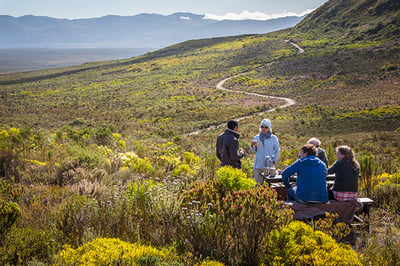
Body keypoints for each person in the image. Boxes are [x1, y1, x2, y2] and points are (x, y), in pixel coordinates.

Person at [250, 119, 280, 185]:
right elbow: (253, 150)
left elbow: (277, 150)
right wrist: (252, 145)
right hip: (258, 166)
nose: (263, 129)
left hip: (269, 167)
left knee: (270, 186)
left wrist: (274, 161)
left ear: (269, 128)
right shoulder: (256, 137)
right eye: (262, 127)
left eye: (266, 127)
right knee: (258, 186)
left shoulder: (273, 138)